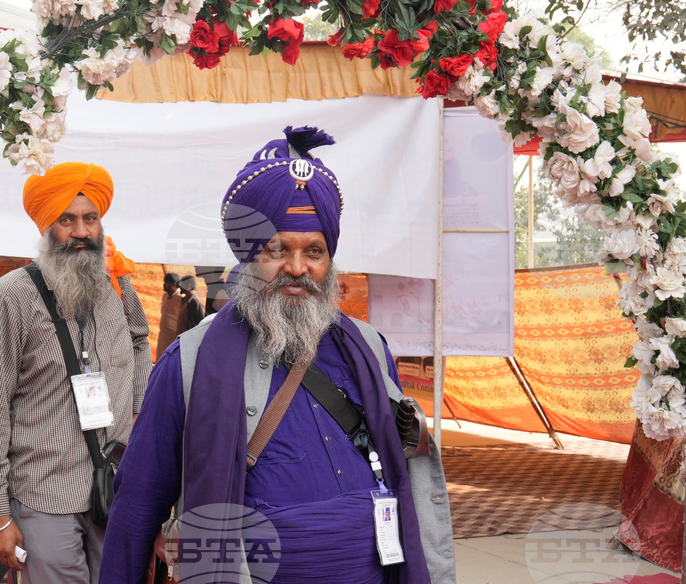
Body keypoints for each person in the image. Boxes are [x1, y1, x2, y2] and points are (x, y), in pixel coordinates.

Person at [99, 127, 455, 584]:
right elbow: (139, 499)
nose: (297, 267)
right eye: (277, 249)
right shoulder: (188, 361)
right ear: (249, 257)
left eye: (314, 251)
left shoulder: (368, 347)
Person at [0, 162, 152, 584]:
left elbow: (141, 340)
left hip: (115, 479)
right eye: (66, 220)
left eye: (90, 218)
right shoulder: (14, 295)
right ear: (46, 227)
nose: (81, 232)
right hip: (44, 491)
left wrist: (141, 413)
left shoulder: (117, 281)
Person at [155, 272, 183, 359]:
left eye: (166, 282)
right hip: (163, 335)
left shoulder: (181, 298)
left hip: (173, 337)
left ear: (173, 284)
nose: (164, 284)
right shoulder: (164, 296)